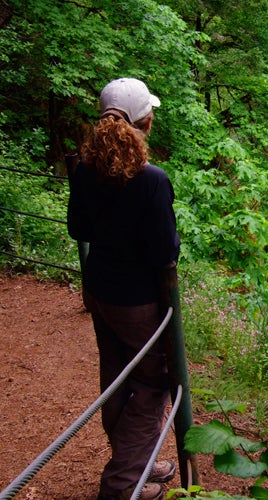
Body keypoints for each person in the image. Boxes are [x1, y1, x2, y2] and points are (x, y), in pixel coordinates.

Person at [67, 78, 180, 500]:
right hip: (139, 302)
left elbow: (78, 227)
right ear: (144, 122)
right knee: (152, 384)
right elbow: (164, 252)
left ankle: (140, 463)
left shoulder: (83, 168)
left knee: (116, 377)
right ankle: (122, 484)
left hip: (100, 290)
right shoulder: (152, 179)